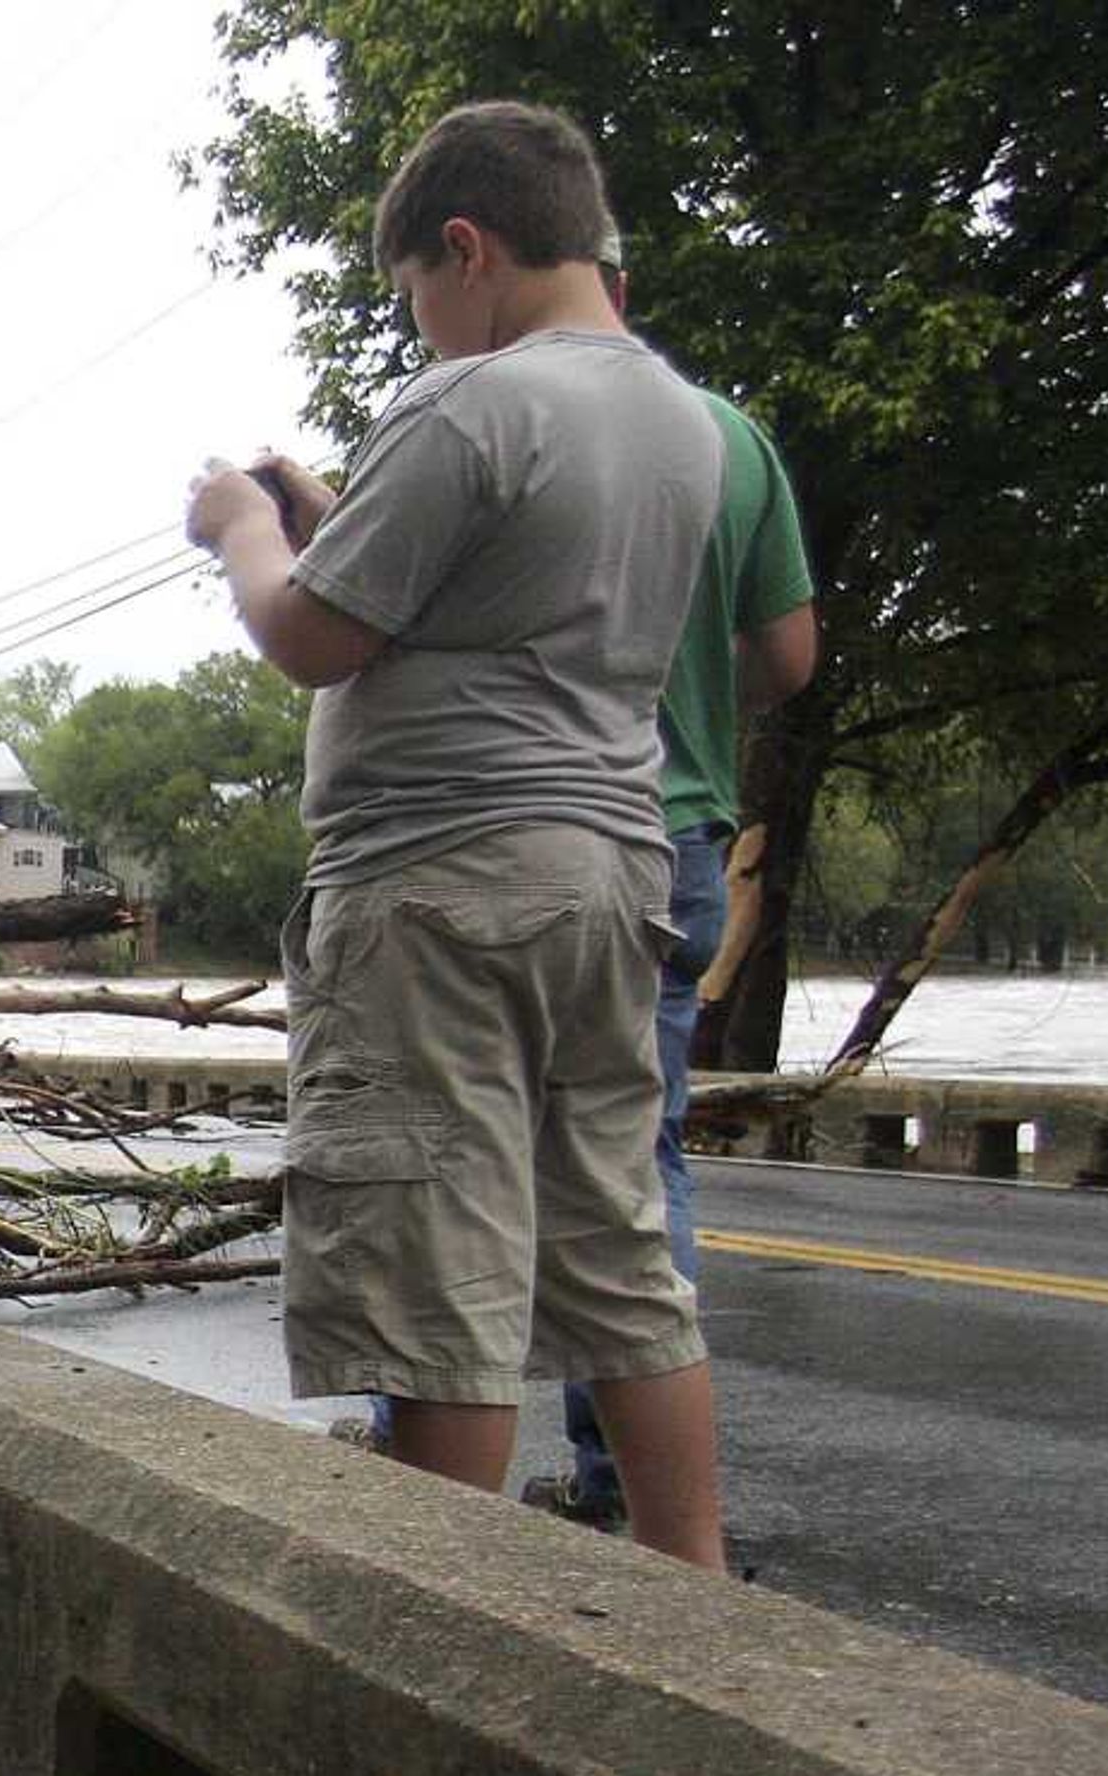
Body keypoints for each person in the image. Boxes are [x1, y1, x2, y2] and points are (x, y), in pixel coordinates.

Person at [185, 100, 733, 1570]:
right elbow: (497, 591)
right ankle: (700, 1594)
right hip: (608, 873)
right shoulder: (685, 422)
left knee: (437, 1270)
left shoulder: (472, 402)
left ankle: (444, 1632)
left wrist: (248, 525)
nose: (422, 323)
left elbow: (314, 633)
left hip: (437, 882)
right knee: (616, 1248)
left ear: (469, 248)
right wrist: (338, 512)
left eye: (418, 290)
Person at [517, 238, 821, 1528]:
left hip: (533, 833)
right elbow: (789, 658)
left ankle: (416, 1466)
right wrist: (686, 696)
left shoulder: (510, 426)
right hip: (682, 834)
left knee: (454, 1153)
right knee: (638, 1163)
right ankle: (625, 1491)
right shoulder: (733, 442)